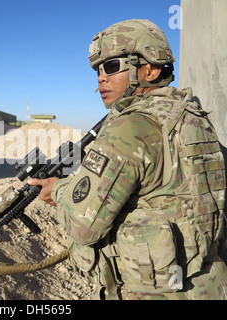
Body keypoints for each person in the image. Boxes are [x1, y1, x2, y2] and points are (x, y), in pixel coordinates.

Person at [28, 19, 227, 300]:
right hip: (210, 284)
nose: (101, 77)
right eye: (98, 69)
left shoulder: (129, 127)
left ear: (151, 68)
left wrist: (58, 190)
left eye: (111, 66)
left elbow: (84, 228)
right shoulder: (192, 116)